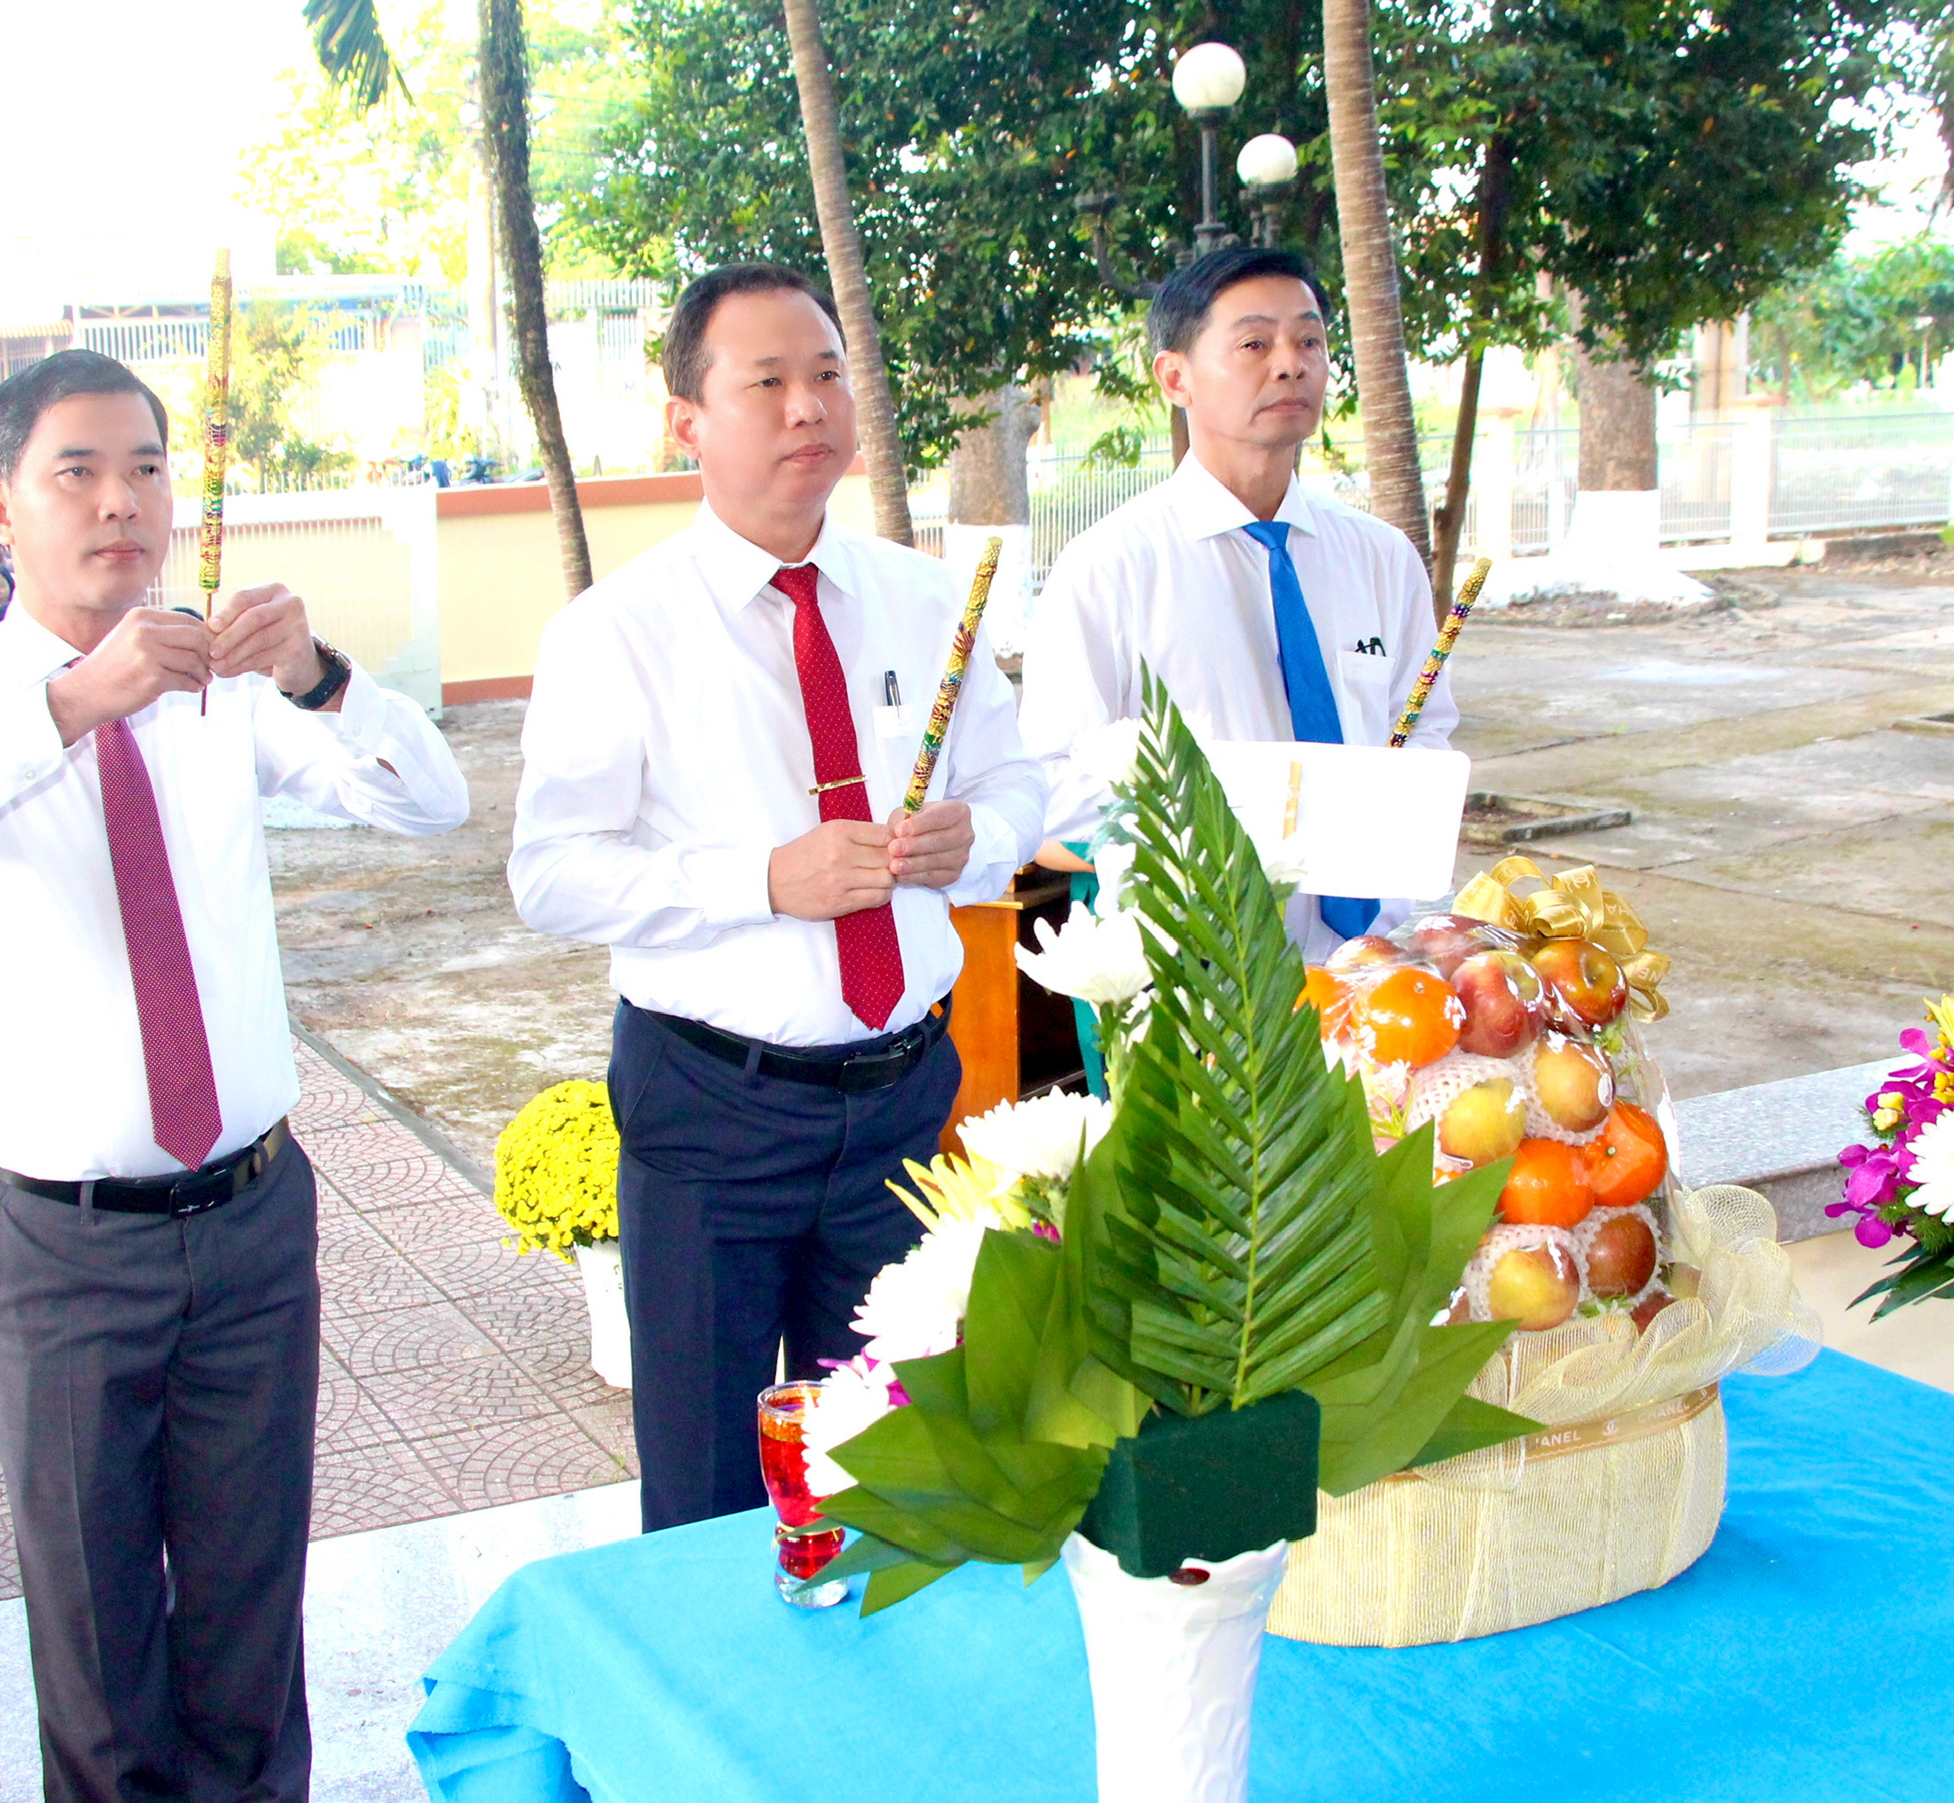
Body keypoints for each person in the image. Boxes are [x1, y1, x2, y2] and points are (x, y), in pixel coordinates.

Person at [0, 348, 468, 1803]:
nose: (123, 502)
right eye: (79, 471)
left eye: (147, 468)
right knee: (102, 1652)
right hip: (61, 1241)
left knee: (248, 1620)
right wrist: (72, 701)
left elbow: (428, 802)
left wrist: (313, 675)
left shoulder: (222, 689)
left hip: (248, 1219)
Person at [507, 263, 1045, 1534]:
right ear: (686, 421)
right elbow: (551, 873)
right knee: (702, 1485)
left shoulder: (927, 601)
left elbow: (1022, 785)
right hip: (712, 1113)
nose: (810, 408)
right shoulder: (617, 633)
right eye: (768, 383)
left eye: (828, 374)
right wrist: (763, 881)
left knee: (887, 1469)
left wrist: (981, 835)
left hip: (905, 1098)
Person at [1019, 246, 1458, 966]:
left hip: (1376, 966)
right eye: (1254, 343)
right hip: (1199, 976)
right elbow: (1049, 789)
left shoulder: (1381, 559)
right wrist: (1227, 815)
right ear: (1175, 377)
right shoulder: (1110, 569)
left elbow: (1427, 734)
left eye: (1310, 340)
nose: (1290, 363)